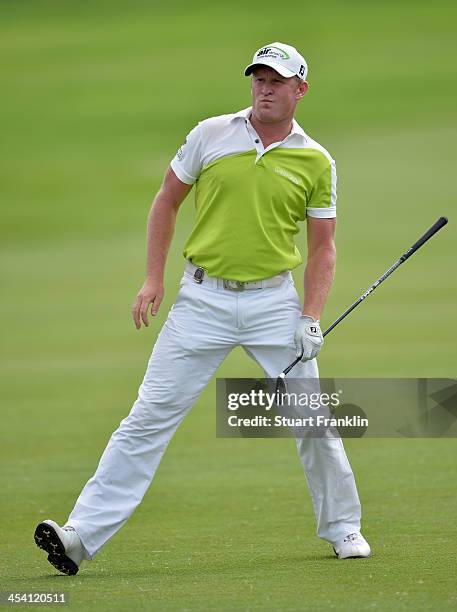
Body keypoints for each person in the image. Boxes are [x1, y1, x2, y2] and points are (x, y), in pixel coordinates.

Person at [34, 42, 371, 575]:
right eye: (258, 78)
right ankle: (79, 537)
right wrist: (152, 277)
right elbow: (166, 199)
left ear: (300, 89)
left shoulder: (315, 159)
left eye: (277, 80)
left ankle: (343, 527)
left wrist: (310, 316)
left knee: (312, 420)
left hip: (273, 303)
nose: (264, 87)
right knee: (147, 418)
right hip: (202, 299)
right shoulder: (209, 133)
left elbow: (323, 246)